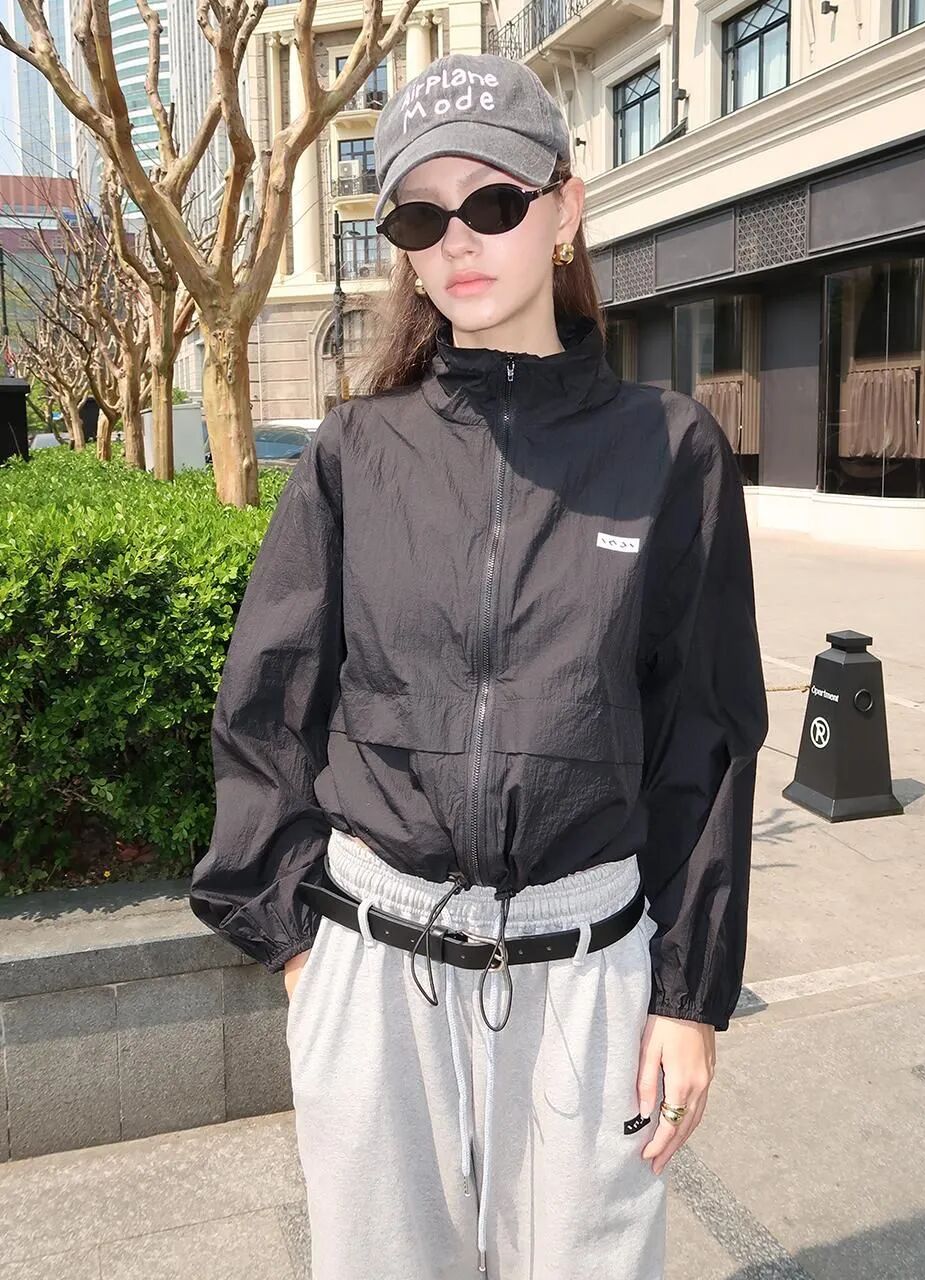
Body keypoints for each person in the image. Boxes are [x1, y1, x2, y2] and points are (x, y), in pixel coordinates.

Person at [189, 51, 769, 1280]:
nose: (457, 238)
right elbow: (268, 703)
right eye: (419, 214)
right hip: (372, 970)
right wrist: (300, 942)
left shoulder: (671, 452)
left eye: (494, 200)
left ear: (565, 210)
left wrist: (687, 994)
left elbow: (706, 737)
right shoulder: (354, 454)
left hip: (586, 979)